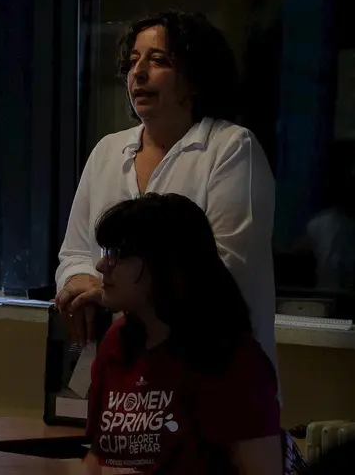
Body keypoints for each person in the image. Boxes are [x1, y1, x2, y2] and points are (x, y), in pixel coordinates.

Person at [56, 10, 278, 375]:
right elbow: (76, 252)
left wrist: (115, 292)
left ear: (194, 78)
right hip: (124, 375)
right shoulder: (108, 151)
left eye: (158, 60)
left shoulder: (231, 148)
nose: (138, 73)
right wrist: (78, 281)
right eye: (132, 62)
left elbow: (225, 271)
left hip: (213, 374)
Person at [86, 193, 282, 475]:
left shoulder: (230, 359)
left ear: (166, 263)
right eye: (106, 252)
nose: (102, 265)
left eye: (118, 253)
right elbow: (98, 456)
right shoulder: (118, 341)